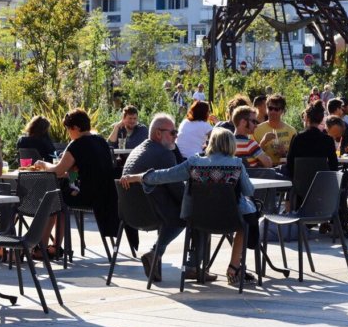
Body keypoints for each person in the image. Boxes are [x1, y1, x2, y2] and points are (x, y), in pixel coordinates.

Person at [121, 128, 258, 285]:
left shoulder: (194, 163)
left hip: (198, 218)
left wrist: (139, 177)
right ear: (231, 145)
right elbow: (248, 190)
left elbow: (165, 175)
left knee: (203, 220)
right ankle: (234, 268)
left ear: (211, 143)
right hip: (230, 220)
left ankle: (194, 268)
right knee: (244, 224)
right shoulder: (237, 165)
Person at [33, 109, 118, 257]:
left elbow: (57, 171)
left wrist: (43, 164)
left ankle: (42, 248)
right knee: (59, 201)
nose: (68, 133)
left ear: (76, 128)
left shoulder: (77, 145)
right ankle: (54, 248)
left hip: (87, 196)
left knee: (52, 201)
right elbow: (84, 171)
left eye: (68, 129)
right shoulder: (101, 141)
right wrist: (70, 174)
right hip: (107, 196)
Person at [121, 113, 194, 282]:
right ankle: (191, 266)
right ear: (158, 133)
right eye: (172, 133)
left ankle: (155, 257)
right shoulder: (163, 154)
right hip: (152, 214)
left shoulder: (137, 150)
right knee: (188, 213)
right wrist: (195, 202)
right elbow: (177, 189)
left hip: (129, 215)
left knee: (181, 209)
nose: (176, 136)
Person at [285, 101, 338, 181]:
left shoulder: (298, 138)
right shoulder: (328, 140)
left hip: (300, 184)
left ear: (307, 118)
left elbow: (290, 163)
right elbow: (334, 165)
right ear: (321, 119)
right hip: (321, 184)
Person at [253, 94, 297, 167]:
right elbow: (251, 157)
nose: (273, 111)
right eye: (270, 108)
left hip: (284, 170)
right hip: (264, 171)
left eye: (276, 109)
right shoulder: (256, 130)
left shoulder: (291, 131)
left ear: (282, 111)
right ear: (267, 109)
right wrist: (263, 142)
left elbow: (295, 158)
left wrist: (284, 153)